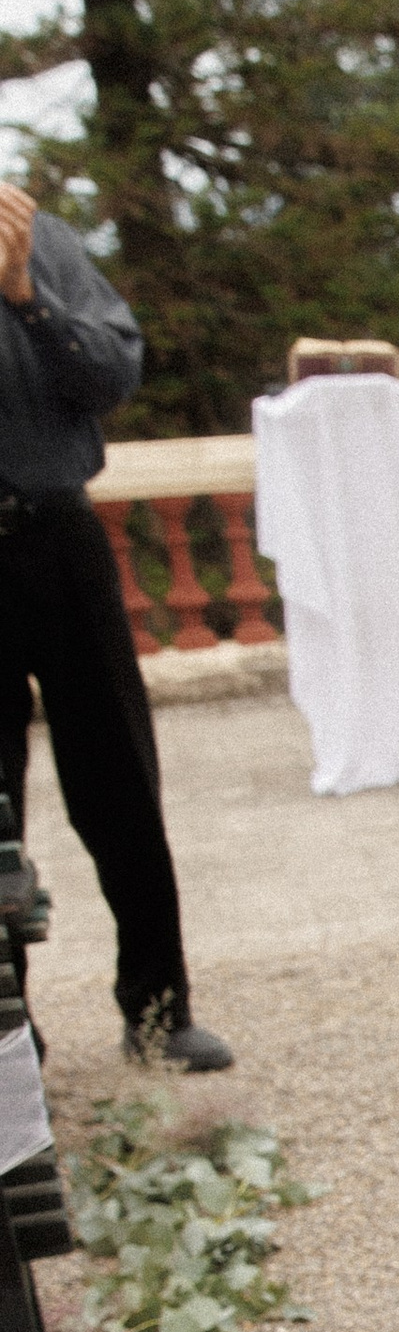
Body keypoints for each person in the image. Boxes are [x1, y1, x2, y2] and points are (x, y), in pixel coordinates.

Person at [0, 187, 228, 1068]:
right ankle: (11, 1039)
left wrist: (26, 296)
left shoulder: (45, 244)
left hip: (59, 535)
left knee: (119, 780)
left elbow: (111, 376)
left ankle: (160, 1013)